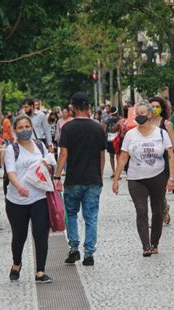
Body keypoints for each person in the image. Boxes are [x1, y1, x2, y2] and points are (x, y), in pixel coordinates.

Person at [112, 102, 174, 256]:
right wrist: (116, 179)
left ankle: (155, 243)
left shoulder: (161, 133)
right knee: (141, 210)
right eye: (137, 113)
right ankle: (145, 246)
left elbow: (170, 155)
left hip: (157, 177)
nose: (140, 116)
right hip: (136, 179)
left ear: (150, 114)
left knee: (158, 211)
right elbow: (123, 157)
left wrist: (171, 178)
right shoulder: (130, 135)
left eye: (143, 113)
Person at [54, 92, 106, 267]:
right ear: (89, 107)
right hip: (93, 179)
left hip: (73, 179)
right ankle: (89, 253)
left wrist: (57, 175)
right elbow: (102, 155)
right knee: (91, 217)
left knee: (71, 215)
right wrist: (100, 175)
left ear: (72, 108)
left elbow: (63, 154)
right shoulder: (98, 128)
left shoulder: (67, 128)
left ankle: (74, 248)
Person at [5, 115, 52, 283]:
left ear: (32, 127)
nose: (24, 130)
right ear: (15, 130)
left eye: (27, 126)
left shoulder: (40, 145)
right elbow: (10, 171)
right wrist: (19, 186)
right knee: (19, 235)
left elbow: (48, 164)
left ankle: (40, 271)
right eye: (20, 127)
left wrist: (49, 167)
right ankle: (17, 263)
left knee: (40, 233)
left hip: (39, 196)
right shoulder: (12, 149)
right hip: (17, 200)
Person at [149, 97, 174, 224]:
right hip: (148, 160)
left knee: (159, 190)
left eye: (157, 106)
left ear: (162, 108)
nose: (154, 109)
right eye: (152, 106)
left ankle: (161, 212)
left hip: (163, 160)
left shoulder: (166, 124)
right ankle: (161, 209)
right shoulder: (144, 123)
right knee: (151, 191)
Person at [105, 106, 120, 178]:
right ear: (117, 112)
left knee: (112, 156)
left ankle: (114, 171)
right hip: (118, 140)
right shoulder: (120, 119)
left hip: (110, 140)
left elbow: (104, 131)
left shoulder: (107, 120)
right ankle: (117, 172)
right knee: (118, 156)